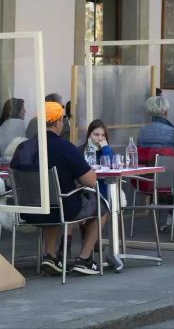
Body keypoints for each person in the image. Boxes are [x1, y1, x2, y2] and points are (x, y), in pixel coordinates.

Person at [11, 102, 105, 275]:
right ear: (58, 122)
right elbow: (91, 180)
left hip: (28, 210)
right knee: (101, 204)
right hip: (59, 210)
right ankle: (84, 259)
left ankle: (51, 255)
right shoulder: (65, 147)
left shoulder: (23, 147)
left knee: (50, 199)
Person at [80, 119, 115, 199]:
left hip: (106, 190)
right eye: (96, 135)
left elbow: (113, 166)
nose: (100, 138)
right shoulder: (80, 151)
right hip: (86, 192)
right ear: (89, 135)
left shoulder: (106, 150)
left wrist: (105, 148)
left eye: (103, 135)